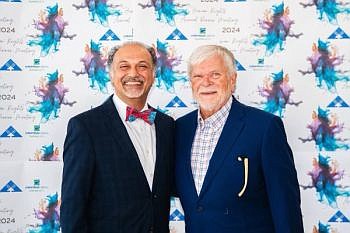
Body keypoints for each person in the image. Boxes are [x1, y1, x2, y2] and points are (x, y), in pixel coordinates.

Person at [175, 45, 304, 233]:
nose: (206, 82)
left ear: (232, 79)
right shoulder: (180, 128)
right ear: (191, 82)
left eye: (215, 74)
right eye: (198, 76)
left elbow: (285, 204)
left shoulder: (264, 127)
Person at [61, 41, 174, 233]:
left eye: (142, 66)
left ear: (153, 75)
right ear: (111, 75)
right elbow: (73, 207)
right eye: (124, 67)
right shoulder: (85, 127)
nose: (133, 74)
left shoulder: (167, 125)